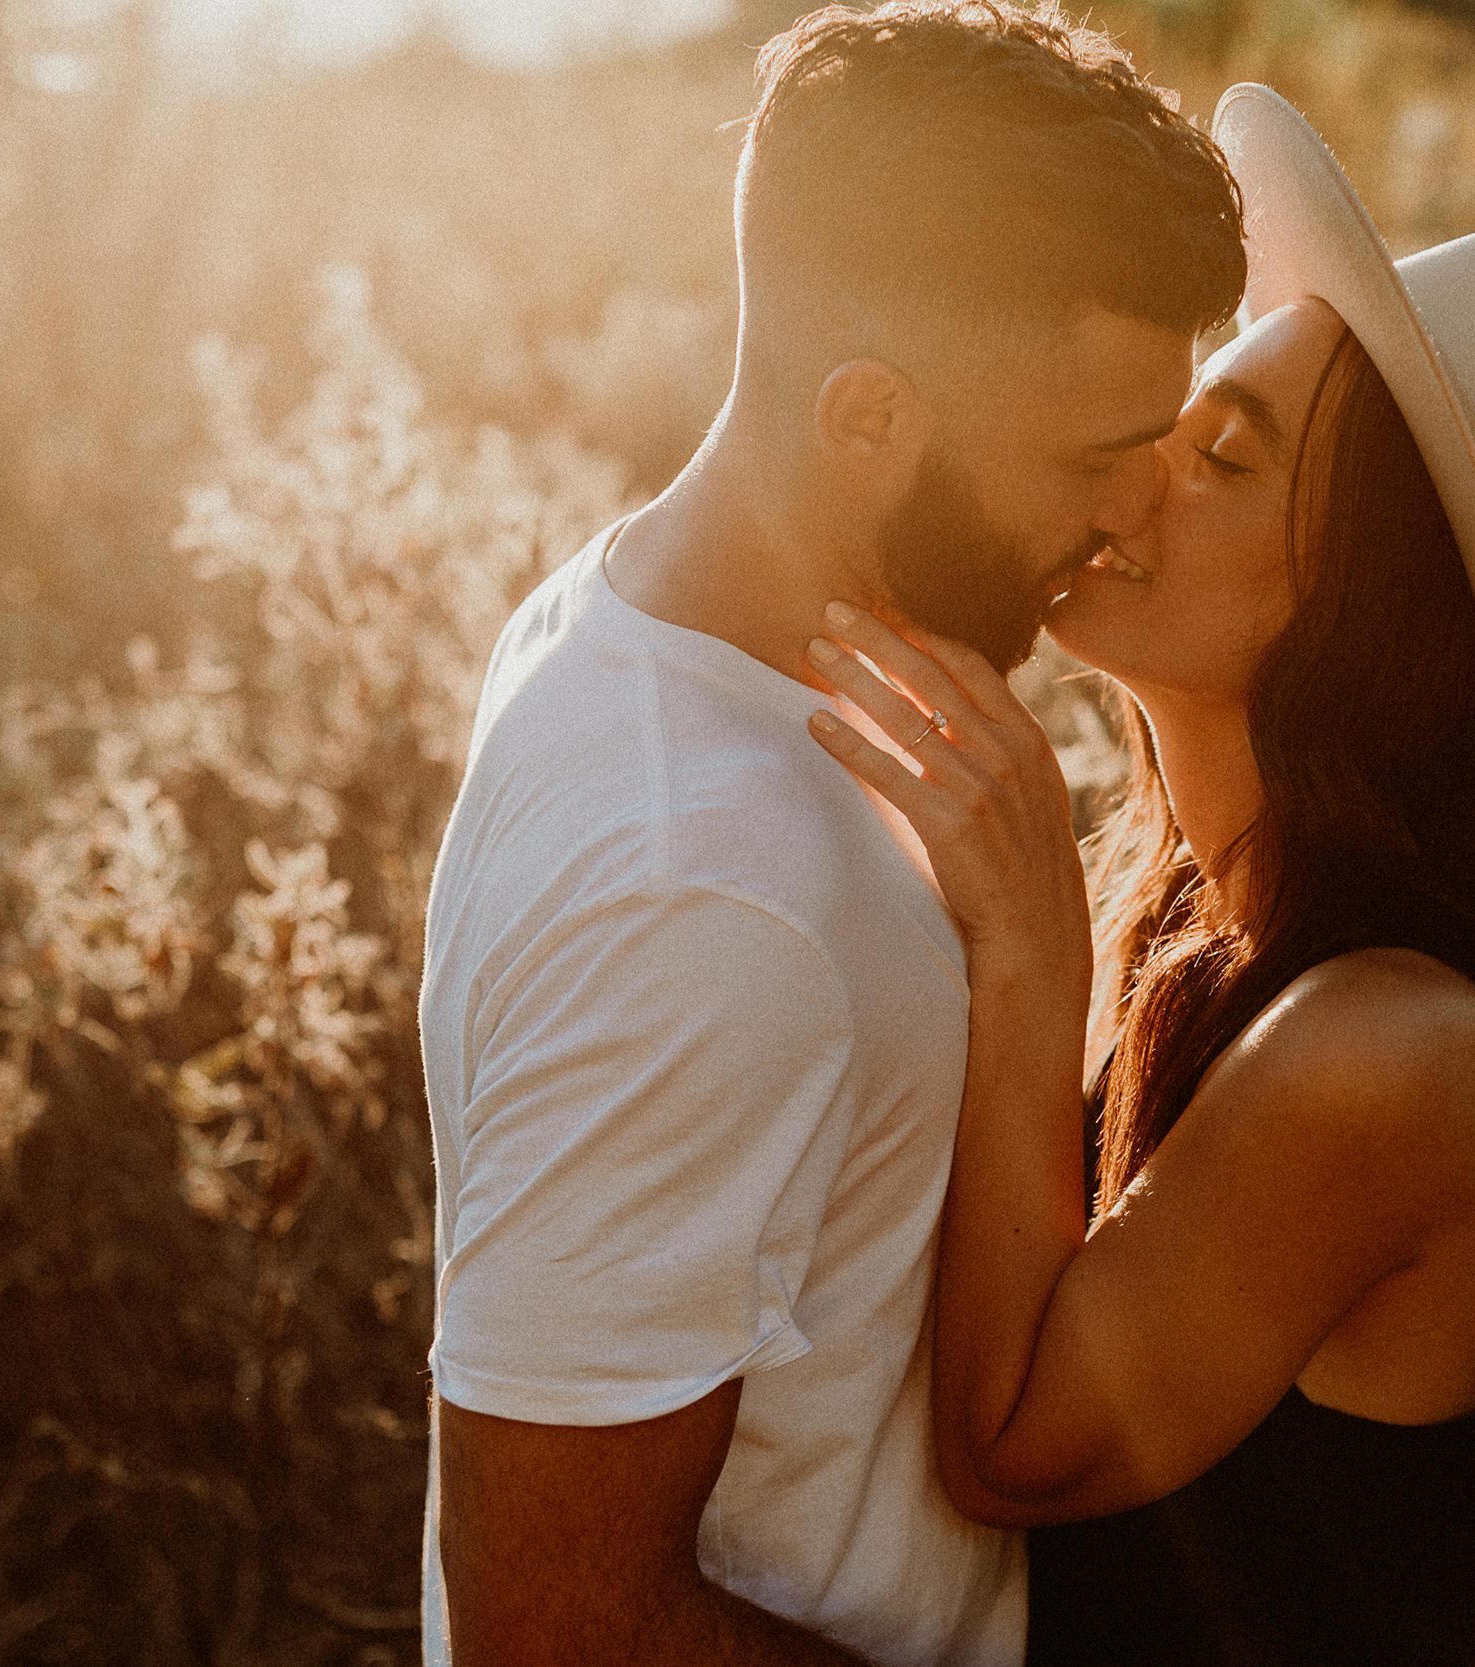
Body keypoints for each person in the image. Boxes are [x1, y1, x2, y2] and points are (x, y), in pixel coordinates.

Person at [801, 85, 1475, 1665]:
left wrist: (1023, 966)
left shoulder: (1388, 1054)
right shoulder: (1178, 907)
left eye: (1223, 456)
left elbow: (1009, 1444)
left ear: (1369, 605)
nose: (1139, 464)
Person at [414, 6, 1242, 1664]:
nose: (1137, 512)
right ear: (869, 420)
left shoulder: (634, 620)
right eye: (1095, 457)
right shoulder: (699, 889)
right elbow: (553, 1629)